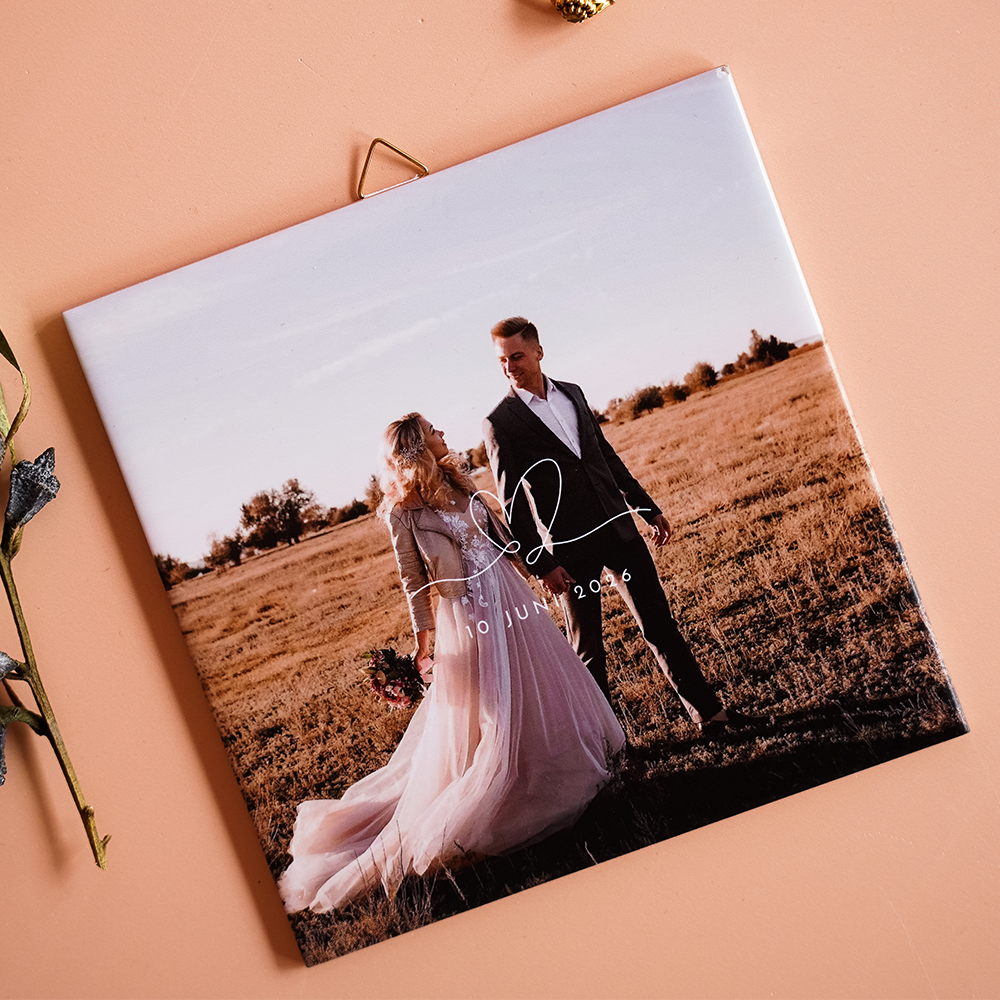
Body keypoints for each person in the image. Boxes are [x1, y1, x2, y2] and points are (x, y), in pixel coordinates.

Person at [278, 413, 624, 914]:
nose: (442, 432)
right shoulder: (402, 512)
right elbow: (413, 581)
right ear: (416, 447)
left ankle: (551, 760)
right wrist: (423, 644)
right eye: (432, 429)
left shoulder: (462, 484)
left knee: (537, 683)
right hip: (468, 611)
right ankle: (501, 787)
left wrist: (542, 570)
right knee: (491, 704)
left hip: (509, 596)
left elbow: (503, 540)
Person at [483, 316, 732, 732]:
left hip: (620, 531)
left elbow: (605, 456)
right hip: (568, 551)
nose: (510, 367)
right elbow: (512, 504)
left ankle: (710, 714)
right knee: (588, 653)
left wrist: (645, 507)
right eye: (502, 360)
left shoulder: (573, 393)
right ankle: (607, 746)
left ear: (539, 352)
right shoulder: (500, 422)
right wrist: (542, 564)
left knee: (660, 626)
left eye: (517, 356)